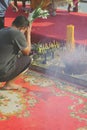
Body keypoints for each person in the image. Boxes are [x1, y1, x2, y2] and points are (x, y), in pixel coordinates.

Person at [0, 15, 31, 90]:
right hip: (2, 73)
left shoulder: (2, 30)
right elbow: (27, 52)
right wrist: (28, 34)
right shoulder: (17, 33)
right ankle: (9, 84)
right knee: (28, 59)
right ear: (23, 28)